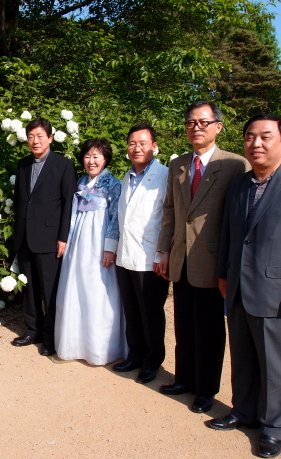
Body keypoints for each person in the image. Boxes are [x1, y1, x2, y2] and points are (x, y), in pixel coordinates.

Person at [206, 114, 281, 458]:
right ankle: (243, 411)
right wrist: (224, 273)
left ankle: (273, 427)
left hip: (280, 292)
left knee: (276, 365)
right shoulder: (240, 184)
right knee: (242, 356)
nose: (256, 143)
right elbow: (228, 232)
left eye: (265, 137)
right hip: (239, 287)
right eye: (250, 137)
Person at [156, 100, 249, 413]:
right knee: (183, 325)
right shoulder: (178, 165)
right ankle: (184, 378)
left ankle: (206, 389)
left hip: (212, 261)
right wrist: (165, 249)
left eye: (203, 122)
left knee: (209, 329)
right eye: (191, 123)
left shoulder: (235, 164)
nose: (196, 127)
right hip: (181, 259)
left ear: (218, 126)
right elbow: (170, 211)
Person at [54, 139, 126, 365]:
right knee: (75, 289)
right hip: (78, 242)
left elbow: (116, 218)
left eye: (96, 156)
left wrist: (110, 248)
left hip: (100, 244)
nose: (91, 161)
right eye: (87, 156)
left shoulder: (113, 184)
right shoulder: (80, 183)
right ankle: (75, 343)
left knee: (99, 292)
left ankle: (100, 349)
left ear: (105, 159)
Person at [12, 117, 76, 356]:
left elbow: (69, 202)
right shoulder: (22, 164)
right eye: (31, 136)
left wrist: (63, 237)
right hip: (25, 236)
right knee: (29, 288)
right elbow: (20, 200)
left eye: (40, 136)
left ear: (50, 138)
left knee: (50, 290)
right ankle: (32, 330)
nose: (35, 141)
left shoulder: (63, 165)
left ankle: (51, 336)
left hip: (50, 238)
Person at [112, 124, 169, 383]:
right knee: (131, 309)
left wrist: (161, 252)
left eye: (143, 143)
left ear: (154, 147)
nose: (137, 148)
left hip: (150, 258)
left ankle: (152, 360)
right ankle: (135, 354)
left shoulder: (165, 175)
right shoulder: (127, 177)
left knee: (151, 313)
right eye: (132, 143)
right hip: (126, 256)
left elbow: (168, 219)